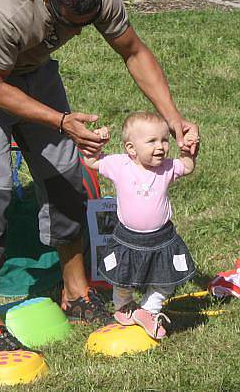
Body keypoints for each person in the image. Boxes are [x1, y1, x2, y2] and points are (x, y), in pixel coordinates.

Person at [0, 0, 199, 355]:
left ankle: (77, 295)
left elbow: (133, 52)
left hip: (32, 65)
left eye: (85, 24)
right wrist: (61, 121)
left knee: (64, 174)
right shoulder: (6, 10)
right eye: (68, 24)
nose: (77, 34)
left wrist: (174, 119)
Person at [83, 112, 198, 339]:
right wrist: (96, 145)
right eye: (152, 141)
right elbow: (91, 162)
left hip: (162, 238)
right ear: (131, 148)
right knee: (122, 277)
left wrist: (189, 151)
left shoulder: (166, 167)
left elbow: (187, 166)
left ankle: (149, 310)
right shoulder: (119, 165)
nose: (161, 147)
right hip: (128, 238)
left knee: (166, 279)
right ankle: (124, 306)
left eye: (164, 140)